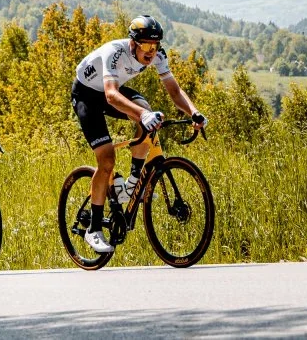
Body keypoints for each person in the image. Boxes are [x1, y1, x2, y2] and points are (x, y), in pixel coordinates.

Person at [72, 15, 208, 254]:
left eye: (155, 46)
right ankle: (93, 229)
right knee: (106, 159)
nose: (151, 51)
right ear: (133, 42)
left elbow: (174, 91)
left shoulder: (158, 55)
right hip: (87, 95)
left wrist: (194, 112)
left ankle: (132, 183)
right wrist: (143, 115)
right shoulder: (114, 52)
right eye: (145, 45)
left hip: (109, 91)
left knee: (148, 117)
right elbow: (112, 95)